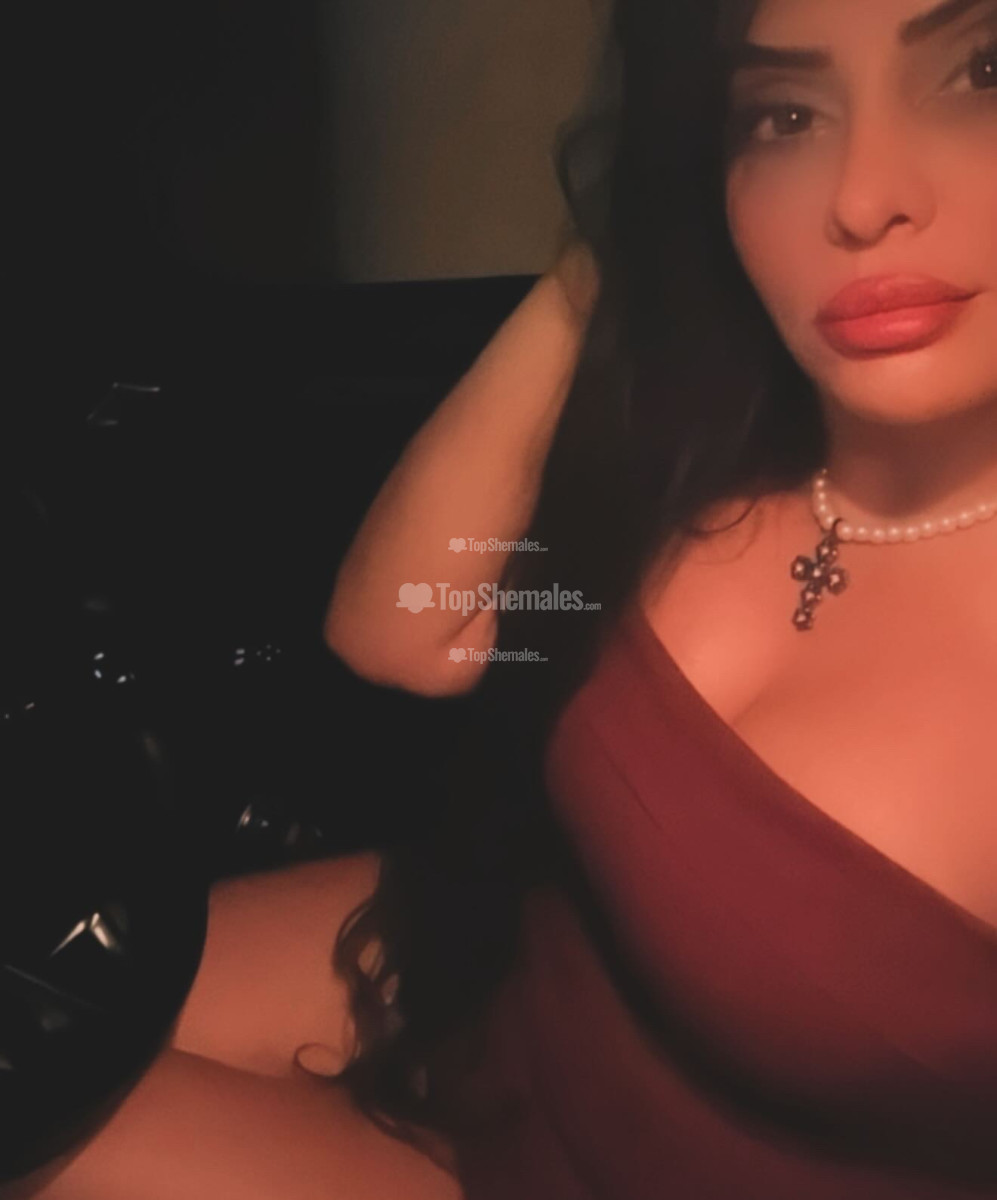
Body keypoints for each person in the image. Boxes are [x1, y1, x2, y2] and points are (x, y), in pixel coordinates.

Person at [12, 0, 997, 1195]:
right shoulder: (732, 455)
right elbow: (405, 629)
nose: (860, 197)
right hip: (488, 974)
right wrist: (616, 251)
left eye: (980, 71)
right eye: (783, 115)